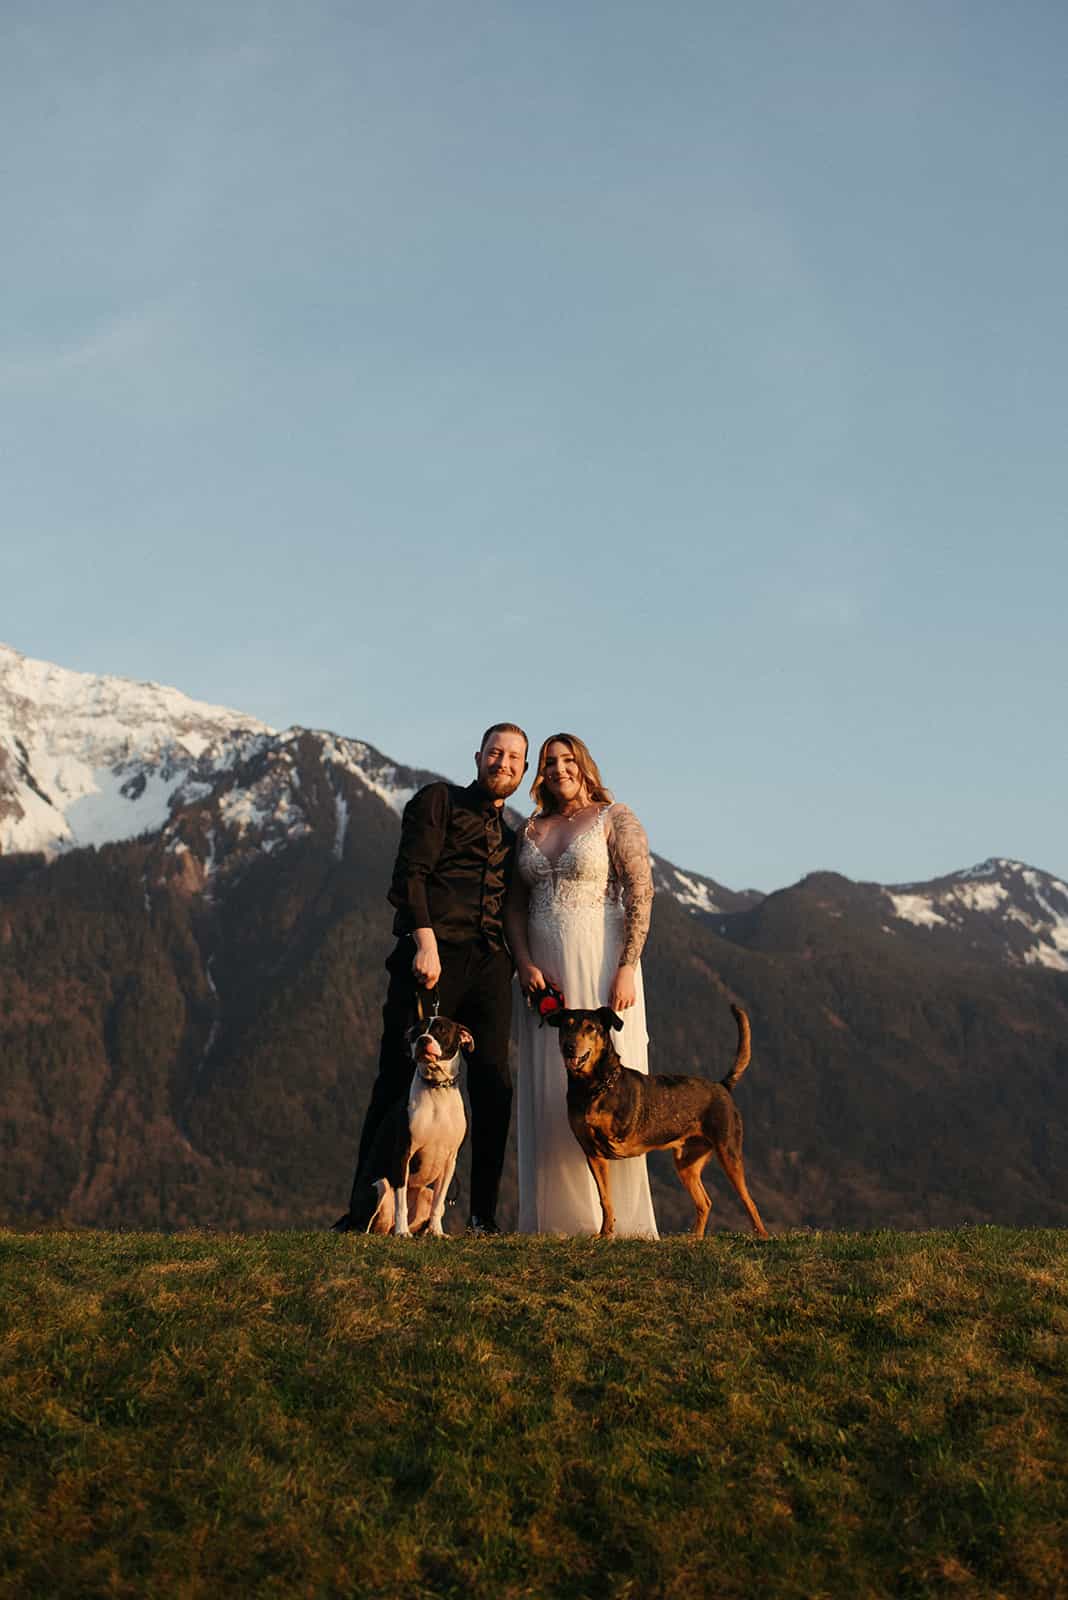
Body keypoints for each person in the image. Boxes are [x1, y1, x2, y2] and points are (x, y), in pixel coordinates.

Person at [336, 723, 528, 1234]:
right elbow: (410, 874)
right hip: (432, 956)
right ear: (478, 756)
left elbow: (510, 907)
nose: (502, 763)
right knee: (396, 1079)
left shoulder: (512, 838)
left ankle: (482, 1216)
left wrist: (520, 965)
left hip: (490, 964)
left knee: (493, 1083)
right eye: (495, 753)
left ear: (523, 771)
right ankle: (364, 1210)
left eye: (513, 758)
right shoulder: (437, 801)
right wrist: (424, 941)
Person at [506, 733, 659, 1236]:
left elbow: (640, 890)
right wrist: (524, 962)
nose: (558, 769)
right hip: (543, 970)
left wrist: (627, 965)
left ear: (584, 765)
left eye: (568, 759)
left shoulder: (615, 817)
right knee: (551, 1086)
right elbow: (513, 906)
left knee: (613, 1093)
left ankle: (616, 1219)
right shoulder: (528, 828)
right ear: (540, 772)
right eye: (549, 762)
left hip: (601, 963)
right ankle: (557, 1217)